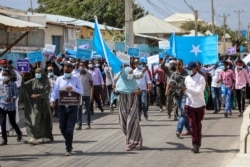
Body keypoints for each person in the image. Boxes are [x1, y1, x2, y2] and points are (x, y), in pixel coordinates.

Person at [50, 63, 83, 156]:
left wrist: (73, 89)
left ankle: (68, 147)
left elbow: (82, 91)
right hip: (62, 106)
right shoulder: (59, 79)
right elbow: (55, 91)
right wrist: (52, 100)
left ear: (72, 70)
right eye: (65, 70)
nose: (66, 71)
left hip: (72, 106)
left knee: (69, 129)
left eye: (68, 70)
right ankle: (68, 140)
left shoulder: (76, 80)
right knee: (62, 127)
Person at [21, 68, 53, 144]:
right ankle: (33, 137)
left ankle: (44, 135)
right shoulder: (33, 81)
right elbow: (24, 86)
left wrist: (37, 95)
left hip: (44, 103)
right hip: (35, 103)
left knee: (44, 119)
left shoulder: (46, 81)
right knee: (35, 118)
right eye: (36, 72)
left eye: (39, 72)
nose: (37, 74)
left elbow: (46, 94)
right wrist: (22, 77)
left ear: (42, 73)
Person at [115, 66, 143, 151]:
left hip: (132, 105)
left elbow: (139, 90)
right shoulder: (119, 82)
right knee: (123, 124)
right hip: (122, 105)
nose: (131, 74)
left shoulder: (133, 82)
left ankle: (132, 143)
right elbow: (115, 93)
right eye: (130, 73)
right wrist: (114, 89)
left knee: (131, 122)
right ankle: (131, 139)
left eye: (132, 72)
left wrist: (137, 91)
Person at [183, 62, 206, 153]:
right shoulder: (186, 78)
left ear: (194, 69)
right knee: (192, 124)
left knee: (198, 124)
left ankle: (199, 138)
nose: (188, 71)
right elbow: (186, 92)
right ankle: (195, 144)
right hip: (189, 104)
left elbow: (198, 91)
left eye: (189, 69)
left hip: (199, 104)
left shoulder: (201, 78)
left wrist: (187, 89)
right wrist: (184, 92)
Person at [166, 59, 190, 138]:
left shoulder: (186, 74)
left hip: (184, 95)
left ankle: (178, 130)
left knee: (182, 113)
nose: (177, 66)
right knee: (183, 113)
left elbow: (190, 84)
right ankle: (189, 129)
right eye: (176, 64)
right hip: (176, 95)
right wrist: (166, 91)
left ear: (182, 65)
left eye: (179, 64)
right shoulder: (173, 74)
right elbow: (169, 83)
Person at [0, 69, 22, 145]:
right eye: (3, 74)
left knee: (12, 122)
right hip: (2, 106)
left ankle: (19, 133)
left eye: (5, 75)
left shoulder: (13, 84)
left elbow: (16, 95)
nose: (4, 76)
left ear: (9, 76)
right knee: (2, 123)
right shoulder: (0, 84)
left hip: (11, 107)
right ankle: (4, 140)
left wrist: (11, 98)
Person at [76, 61, 93, 130]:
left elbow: (92, 85)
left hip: (87, 94)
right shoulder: (76, 75)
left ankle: (88, 124)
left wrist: (92, 95)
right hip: (80, 95)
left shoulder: (89, 74)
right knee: (79, 110)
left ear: (85, 66)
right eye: (80, 65)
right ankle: (79, 124)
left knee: (88, 110)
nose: (81, 66)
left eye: (82, 65)